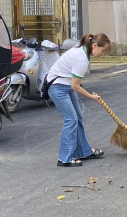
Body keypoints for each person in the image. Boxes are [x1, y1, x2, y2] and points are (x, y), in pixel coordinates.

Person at [48, 33, 111, 167]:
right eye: (102, 50)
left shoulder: (83, 48)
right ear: (94, 46)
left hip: (64, 84)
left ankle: (83, 151)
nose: (102, 54)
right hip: (57, 87)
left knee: (77, 117)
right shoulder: (82, 59)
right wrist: (92, 97)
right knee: (70, 120)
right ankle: (65, 158)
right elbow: (75, 86)